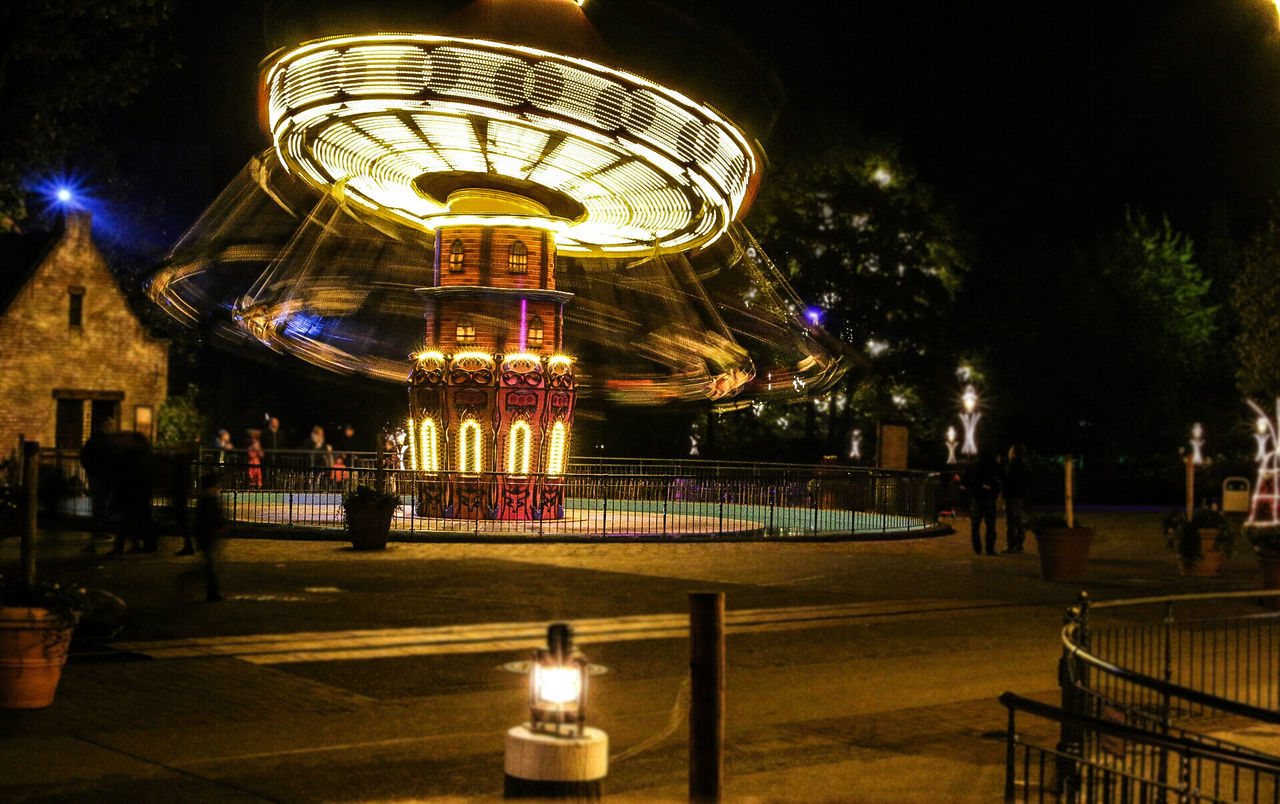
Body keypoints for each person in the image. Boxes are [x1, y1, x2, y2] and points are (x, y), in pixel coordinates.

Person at [79, 417, 117, 554]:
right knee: (103, 506)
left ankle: (98, 533)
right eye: (111, 425)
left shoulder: (94, 441)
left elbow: (84, 457)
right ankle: (100, 532)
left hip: (97, 477)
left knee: (98, 506)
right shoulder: (109, 442)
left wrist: (91, 471)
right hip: (105, 478)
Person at [192, 471, 227, 602]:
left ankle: (210, 589)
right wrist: (219, 527)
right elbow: (210, 518)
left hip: (206, 536)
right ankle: (212, 592)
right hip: (207, 536)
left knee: (209, 563)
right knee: (209, 565)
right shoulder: (208, 501)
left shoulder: (205, 500)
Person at [962, 448, 1003, 556]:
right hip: (990, 497)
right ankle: (989, 548)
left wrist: (973, 488)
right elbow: (1003, 477)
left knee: (975, 525)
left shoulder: (973, 465)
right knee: (990, 524)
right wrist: (995, 489)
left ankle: (977, 548)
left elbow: (964, 481)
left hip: (977, 497)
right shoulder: (994, 465)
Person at [1003, 444, 1032, 554]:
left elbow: (1008, 480)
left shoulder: (1012, 465)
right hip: (1021, 495)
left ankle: (1011, 545)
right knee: (1019, 521)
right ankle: (1020, 544)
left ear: (1013, 453)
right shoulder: (1025, 466)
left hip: (1012, 495)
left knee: (1011, 522)